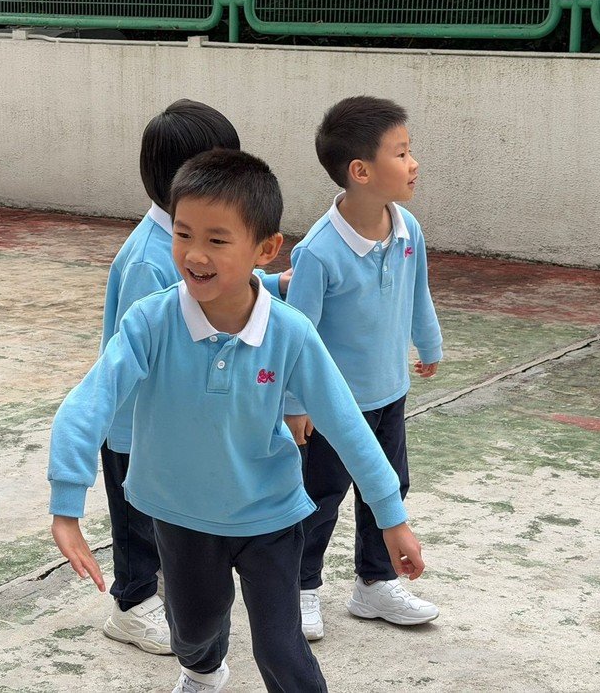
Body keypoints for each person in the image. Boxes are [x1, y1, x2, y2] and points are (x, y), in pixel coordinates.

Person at [48, 149, 427, 692]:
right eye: (183, 234)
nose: (195, 254)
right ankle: (203, 673)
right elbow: (90, 403)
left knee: (281, 644)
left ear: (266, 249)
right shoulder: (150, 322)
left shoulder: (290, 333)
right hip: (181, 514)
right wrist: (66, 504)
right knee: (194, 632)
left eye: (217, 240)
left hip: (269, 513)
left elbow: (347, 425)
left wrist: (391, 516)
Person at [96, 99, 288, 655]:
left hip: (178, 421)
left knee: (166, 517)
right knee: (136, 520)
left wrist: (271, 285)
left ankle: (165, 590)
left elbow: (213, 297)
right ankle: (131, 604)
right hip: (139, 424)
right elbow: (139, 352)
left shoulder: (189, 244)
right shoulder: (150, 260)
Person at [284, 96, 443, 641]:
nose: (414, 163)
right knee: (320, 498)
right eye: (401, 153)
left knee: (389, 486)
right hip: (332, 407)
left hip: (389, 392)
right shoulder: (318, 252)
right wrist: (296, 404)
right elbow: (296, 334)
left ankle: (375, 583)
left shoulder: (408, 229)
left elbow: (418, 291)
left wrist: (428, 342)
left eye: (410, 150)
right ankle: (301, 586)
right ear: (361, 171)